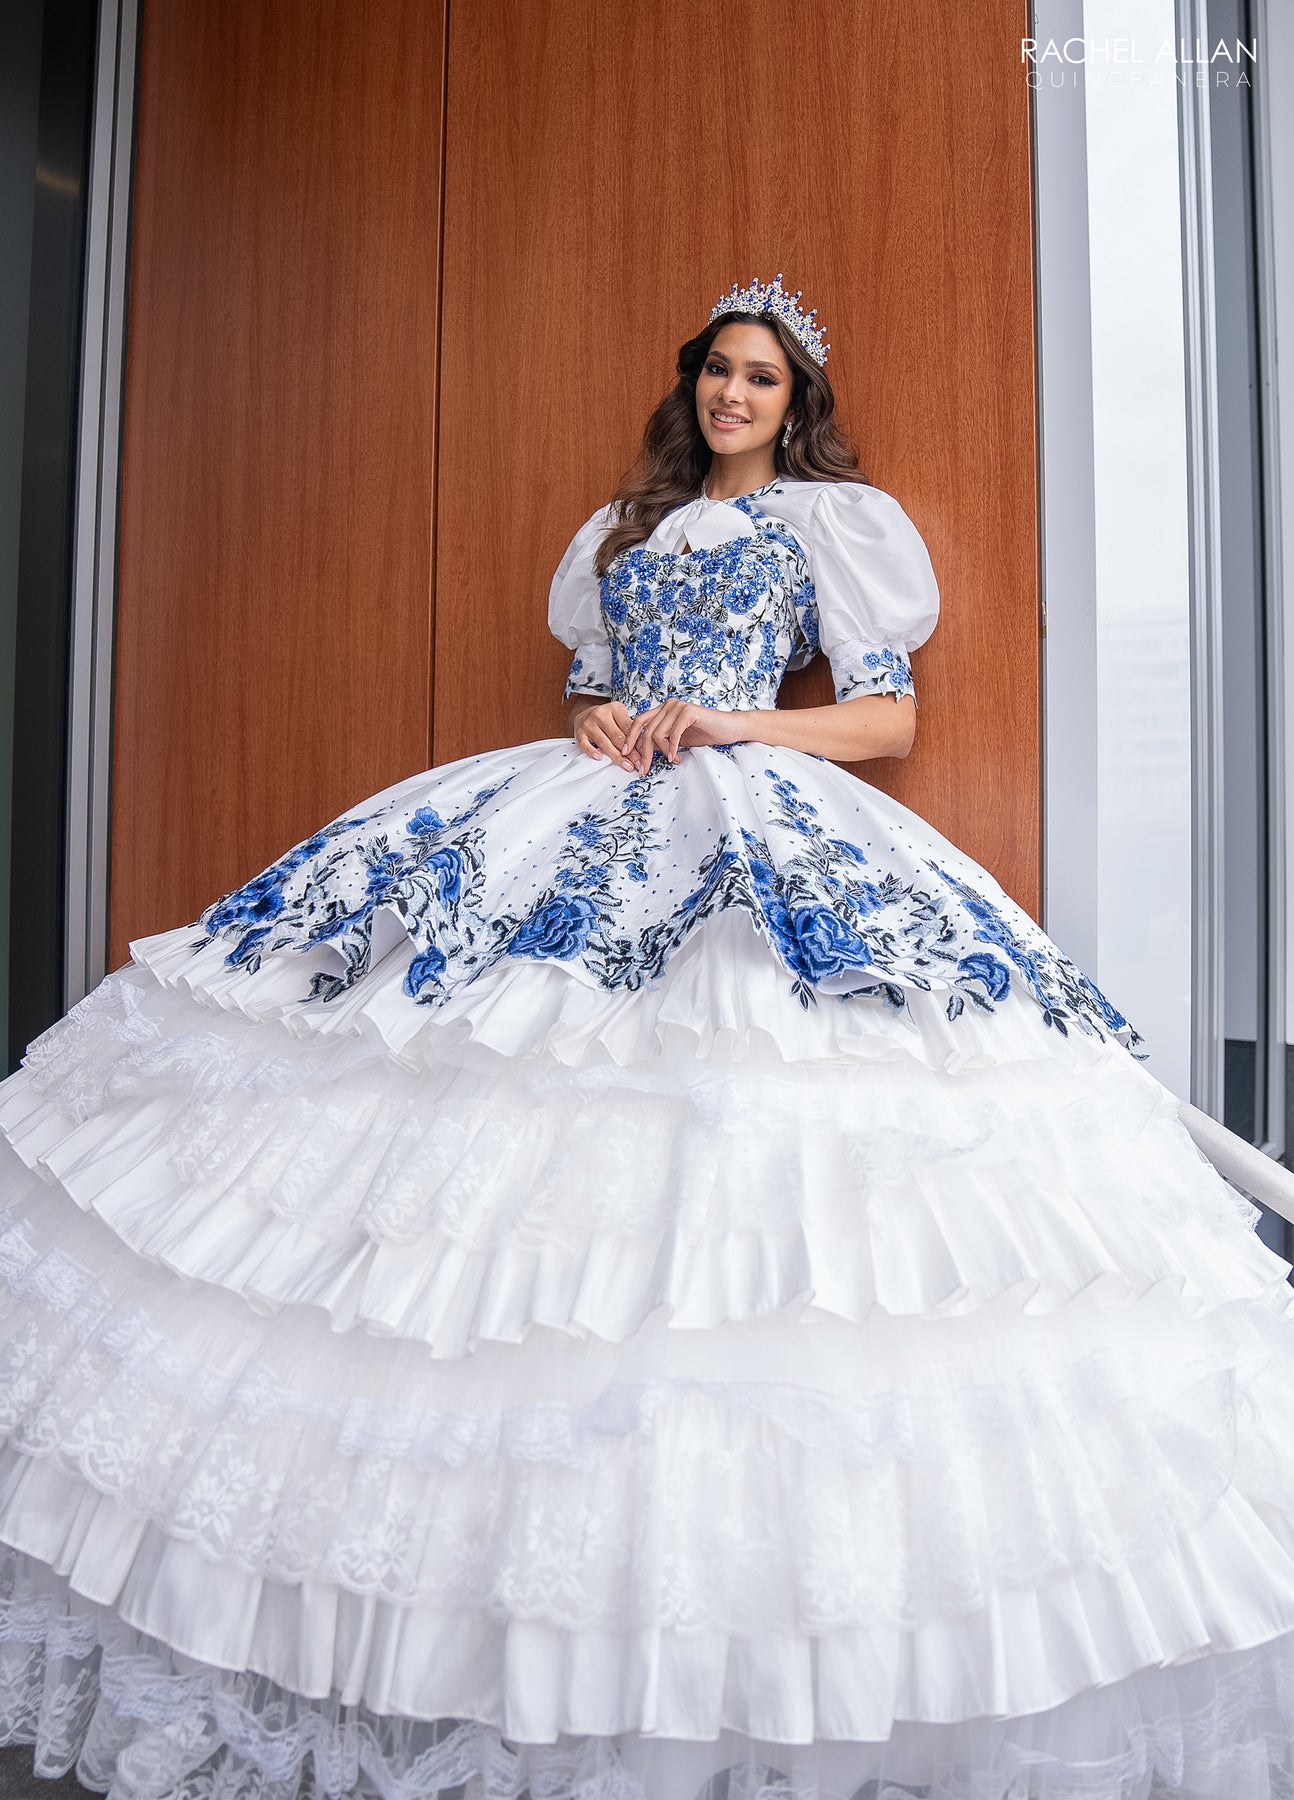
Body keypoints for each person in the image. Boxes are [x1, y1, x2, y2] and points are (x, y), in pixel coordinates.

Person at [0, 272, 1292, 1800]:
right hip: (585, 804)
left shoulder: (833, 527)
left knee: (740, 1078)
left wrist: (736, 722)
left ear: (793, 404)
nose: (732, 395)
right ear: (693, 387)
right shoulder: (619, 532)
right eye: (717, 372)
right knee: (479, 1061)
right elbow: (590, 692)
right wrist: (600, 722)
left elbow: (883, 720)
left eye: (761, 378)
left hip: (757, 798)